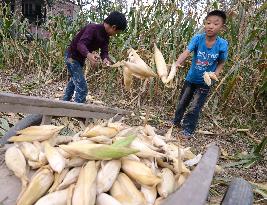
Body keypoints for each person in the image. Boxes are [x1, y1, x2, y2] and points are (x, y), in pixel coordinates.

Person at [172, 10, 229, 139]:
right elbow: (187, 52)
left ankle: (188, 129)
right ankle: (175, 122)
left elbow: (221, 62)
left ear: (222, 27)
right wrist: (177, 63)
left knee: (195, 107)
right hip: (191, 78)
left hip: (205, 82)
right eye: (208, 22)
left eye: (215, 24)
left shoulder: (222, 44)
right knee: (182, 102)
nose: (211, 26)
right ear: (205, 24)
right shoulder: (198, 39)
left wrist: (216, 73)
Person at [63, 11, 127, 103]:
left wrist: (105, 59)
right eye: (116, 32)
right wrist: (89, 55)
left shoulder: (106, 37)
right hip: (71, 57)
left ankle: (63, 103)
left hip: (79, 59)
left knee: (74, 82)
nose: (115, 35)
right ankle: (77, 112)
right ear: (113, 27)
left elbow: (104, 52)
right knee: (82, 87)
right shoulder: (92, 28)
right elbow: (80, 44)